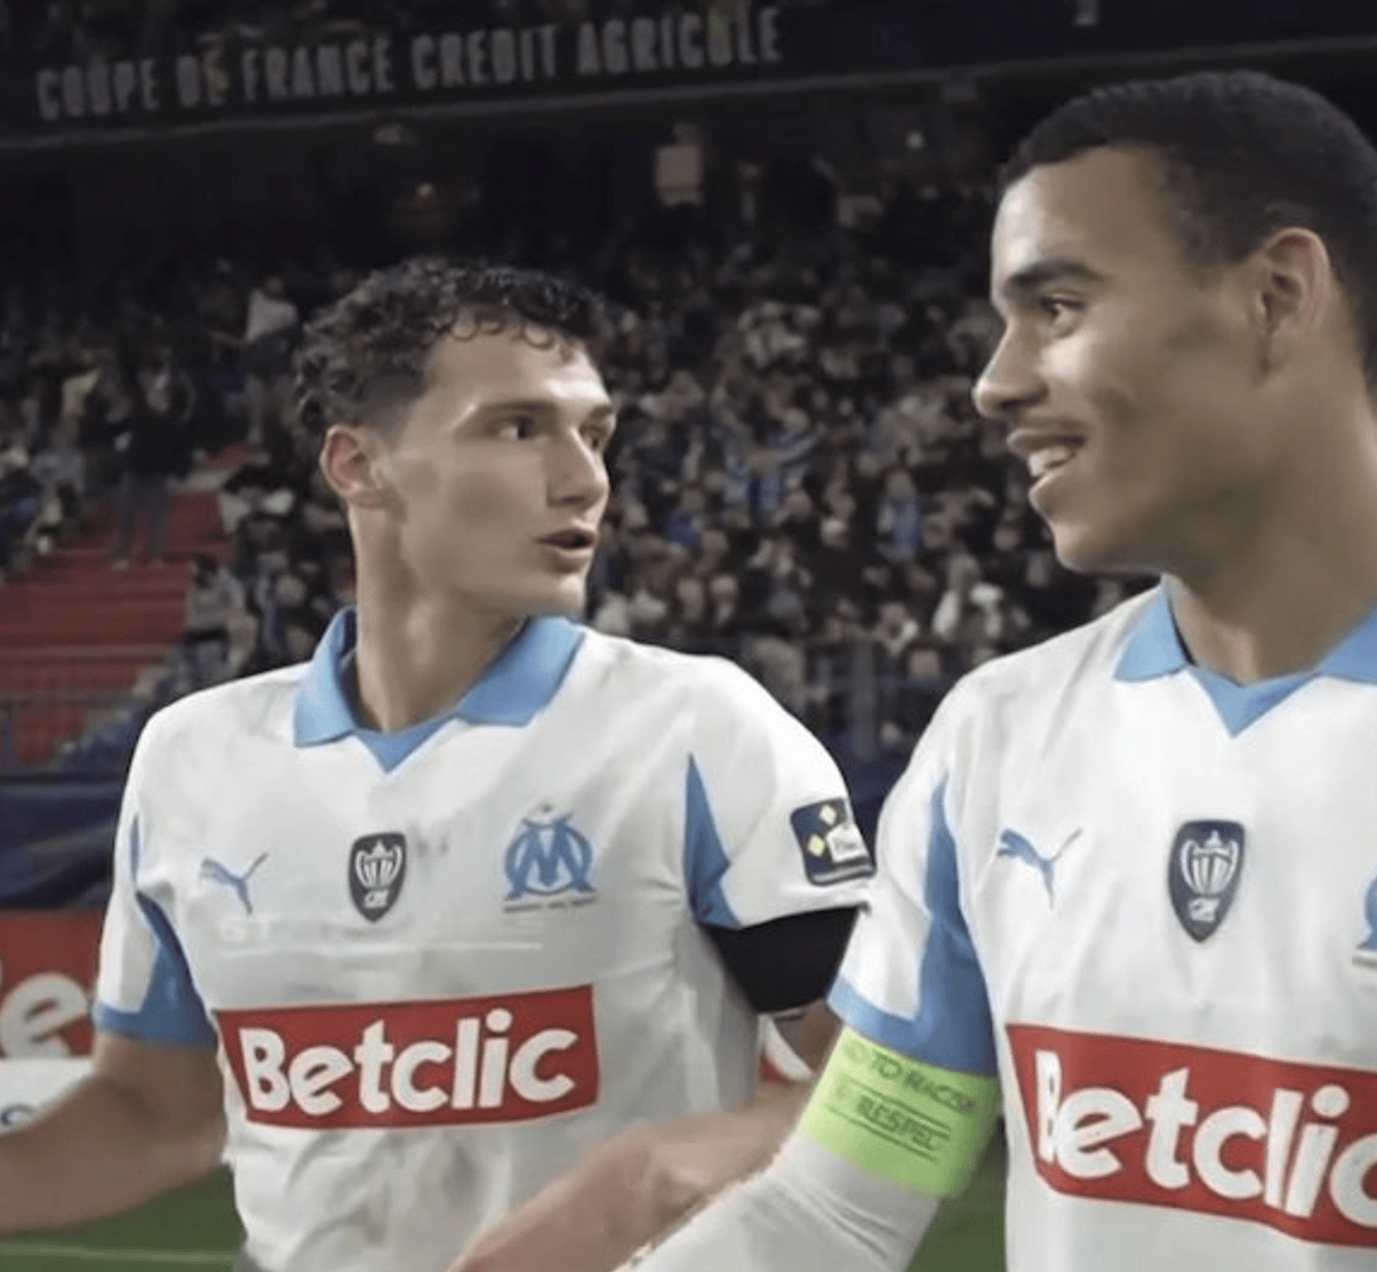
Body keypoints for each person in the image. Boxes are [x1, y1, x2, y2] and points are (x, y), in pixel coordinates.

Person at [628, 71, 1377, 1272]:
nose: (995, 381)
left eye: (1057, 306)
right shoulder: (994, 736)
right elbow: (832, 1213)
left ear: (1275, 298)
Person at [0, 260, 874, 1272]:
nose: (583, 478)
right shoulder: (191, 756)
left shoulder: (696, 730)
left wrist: (662, 1177)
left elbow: (902, 1084)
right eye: (518, 428)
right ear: (358, 465)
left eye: (594, 434)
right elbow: (156, 1115)